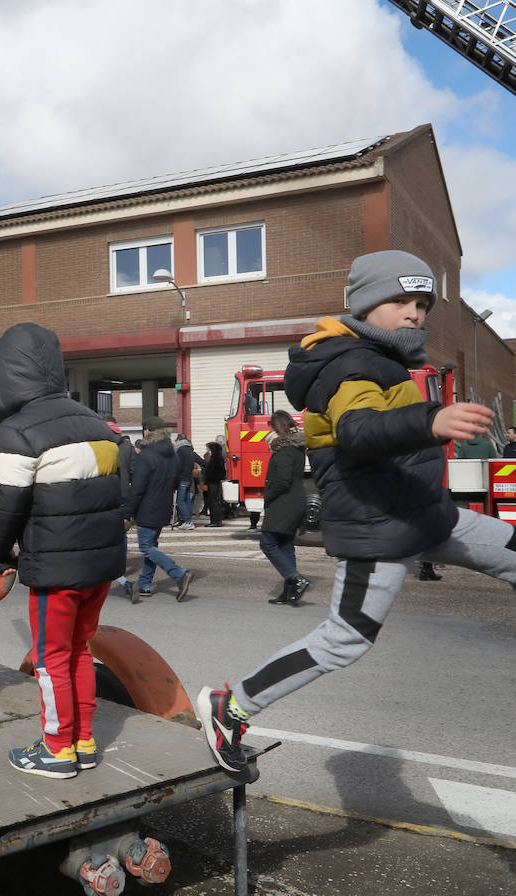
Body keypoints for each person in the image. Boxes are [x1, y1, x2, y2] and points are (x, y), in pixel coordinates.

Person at [196, 249, 516, 775]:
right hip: (380, 526)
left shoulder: (383, 360)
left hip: (424, 514)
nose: (414, 313)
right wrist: (430, 421)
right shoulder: (348, 365)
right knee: (346, 639)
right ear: (365, 307)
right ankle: (230, 709)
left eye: (422, 303)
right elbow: (358, 431)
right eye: (400, 300)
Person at [0, 324, 125, 779]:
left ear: (6, 376)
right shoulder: (97, 424)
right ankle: (82, 741)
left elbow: (6, 506)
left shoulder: (17, 433)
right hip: (101, 566)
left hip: (56, 570)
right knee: (79, 650)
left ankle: (57, 750)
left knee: (50, 658)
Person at [123, 417, 194, 602]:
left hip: (147, 507)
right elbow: (177, 481)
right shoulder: (172, 453)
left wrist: (127, 512)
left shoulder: (146, 455)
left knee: (146, 547)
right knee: (151, 546)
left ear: (147, 431)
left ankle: (179, 574)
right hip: (163, 507)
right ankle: (145, 584)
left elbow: (137, 488)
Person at [259, 411, 309, 605]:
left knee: (268, 543)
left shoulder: (284, 450)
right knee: (285, 546)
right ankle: (290, 593)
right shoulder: (296, 448)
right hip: (296, 502)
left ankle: (295, 579)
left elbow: (283, 481)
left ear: (277, 427)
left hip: (283, 504)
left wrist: (268, 495)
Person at [104, 415, 137, 602]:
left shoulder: (104, 447)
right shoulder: (127, 447)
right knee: (122, 532)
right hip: (124, 495)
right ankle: (121, 564)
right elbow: (134, 472)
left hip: (107, 496)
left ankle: (113, 569)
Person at [172, 434, 201, 530]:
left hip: (182, 478)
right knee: (187, 500)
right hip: (189, 478)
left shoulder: (180, 450)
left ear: (179, 441)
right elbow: (202, 461)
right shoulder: (190, 450)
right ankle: (188, 520)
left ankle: (188, 521)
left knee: (180, 501)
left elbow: (178, 466)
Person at [201, 441, 227, 527]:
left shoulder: (216, 458)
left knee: (214, 502)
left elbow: (218, 472)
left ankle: (215, 521)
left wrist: (209, 476)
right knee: (214, 502)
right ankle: (215, 521)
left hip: (213, 482)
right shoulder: (215, 457)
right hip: (213, 482)